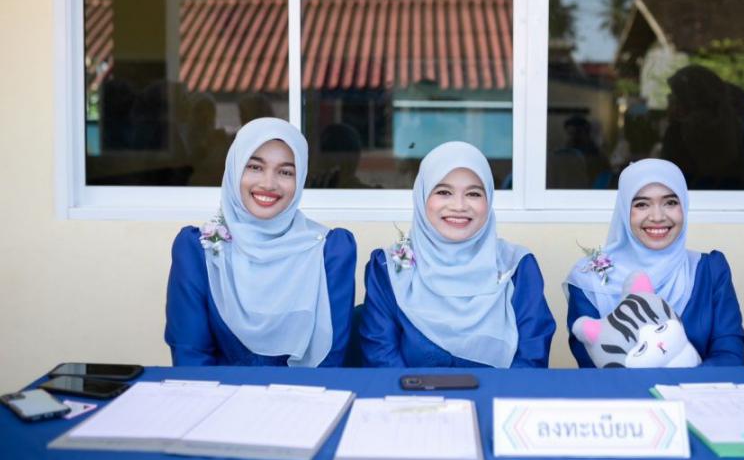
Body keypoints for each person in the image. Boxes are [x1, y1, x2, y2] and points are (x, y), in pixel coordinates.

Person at [165, 117, 357, 366]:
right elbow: (191, 357)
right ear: (235, 169)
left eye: (285, 172)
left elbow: (330, 357)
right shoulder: (198, 250)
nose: (268, 184)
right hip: (218, 390)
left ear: (300, 179)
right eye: (255, 167)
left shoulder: (329, 250)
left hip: (306, 390)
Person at [359, 141, 555, 368]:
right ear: (422, 197)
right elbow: (381, 359)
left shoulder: (516, 267)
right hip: (409, 391)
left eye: (473, 193)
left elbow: (531, 360)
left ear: (489, 199)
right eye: (443, 192)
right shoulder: (391, 266)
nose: (459, 206)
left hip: (503, 392)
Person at [565, 158, 744, 367]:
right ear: (624, 210)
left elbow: (729, 356)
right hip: (619, 389)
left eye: (671, 202)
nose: (658, 217)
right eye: (641, 204)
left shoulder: (710, 271)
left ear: (684, 205)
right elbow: (593, 365)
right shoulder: (589, 280)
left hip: (700, 389)